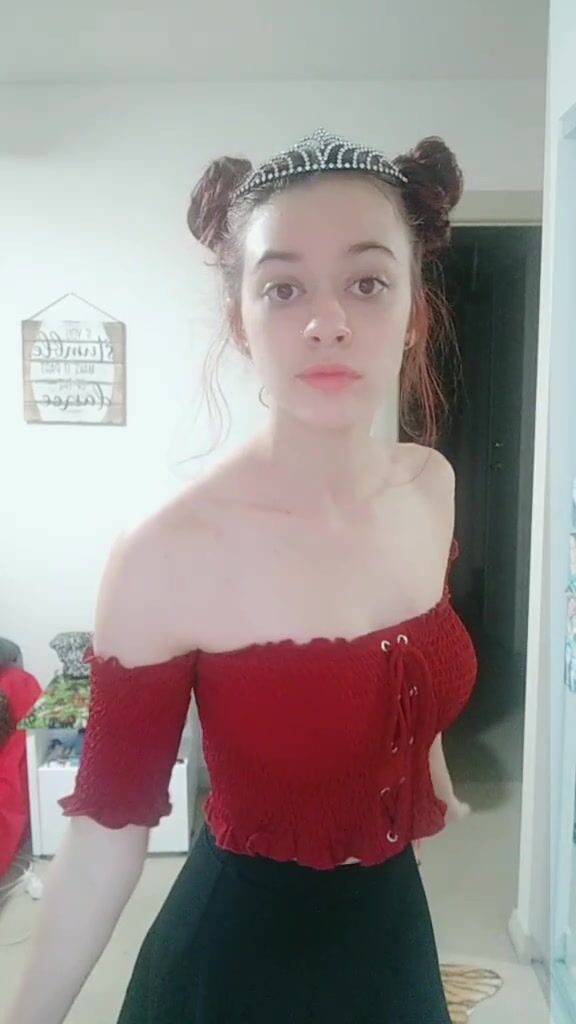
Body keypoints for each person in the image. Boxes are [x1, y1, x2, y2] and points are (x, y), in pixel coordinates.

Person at [4, 128, 478, 1024]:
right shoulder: (166, 552)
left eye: (368, 282)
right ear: (239, 321)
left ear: (414, 310)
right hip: (232, 969)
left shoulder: (430, 487)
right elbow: (106, 831)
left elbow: (413, 652)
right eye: (284, 287)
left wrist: (430, 771)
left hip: (393, 936)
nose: (327, 320)